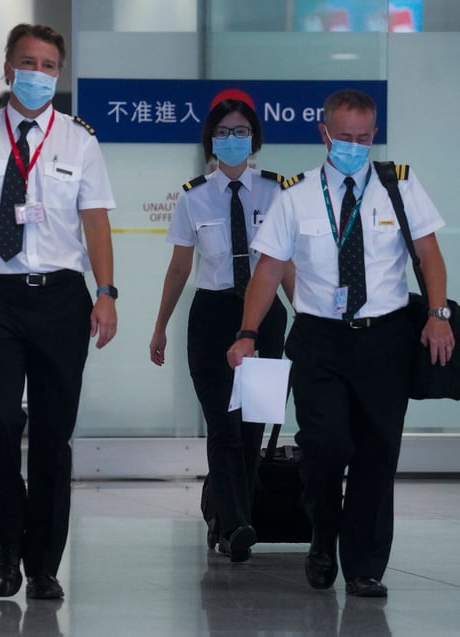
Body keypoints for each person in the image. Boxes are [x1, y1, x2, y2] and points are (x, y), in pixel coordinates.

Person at [227, 89, 453, 597]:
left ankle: (365, 565)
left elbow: (429, 254)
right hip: (319, 340)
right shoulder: (297, 194)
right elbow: (267, 271)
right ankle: (322, 536)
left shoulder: (400, 187)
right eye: (343, 137)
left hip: (385, 338)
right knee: (326, 447)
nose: (353, 146)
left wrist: (438, 313)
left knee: (377, 453)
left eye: (363, 138)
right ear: (324, 133)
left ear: (373, 135)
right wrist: (246, 332)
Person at [0, 23, 117, 601]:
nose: (39, 73)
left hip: (62, 297)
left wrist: (107, 291)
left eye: (50, 65)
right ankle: (7, 543)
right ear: (7, 69)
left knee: (54, 437)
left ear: (60, 75)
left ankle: (42, 563)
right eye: (28, 62)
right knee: (3, 421)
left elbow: (97, 221)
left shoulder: (79, 142)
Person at [149, 91, 292, 563]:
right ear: (211, 139)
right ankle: (236, 527)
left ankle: (221, 508)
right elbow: (177, 269)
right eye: (224, 132)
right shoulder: (193, 197)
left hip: (266, 318)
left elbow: (286, 266)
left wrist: (308, 321)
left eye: (241, 132)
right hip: (211, 317)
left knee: (253, 427)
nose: (232, 140)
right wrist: (159, 327)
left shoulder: (277, 191)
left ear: (255, 138)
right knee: (224, 427)